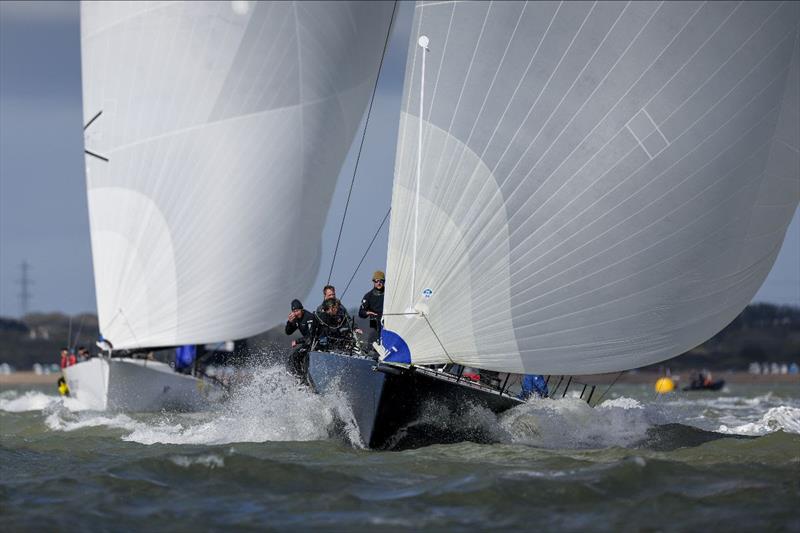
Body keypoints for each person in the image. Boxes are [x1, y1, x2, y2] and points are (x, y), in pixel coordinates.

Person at [358, 270, 385, 343]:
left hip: (387, 322)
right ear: (373, 282)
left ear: (384, 282)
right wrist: (367, 313)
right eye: (376, 281)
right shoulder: (368, 296)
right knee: (372, 339)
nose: (379, 283)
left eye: (381, 281)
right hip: (374, 322)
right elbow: (361, 313)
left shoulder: (388, 294)